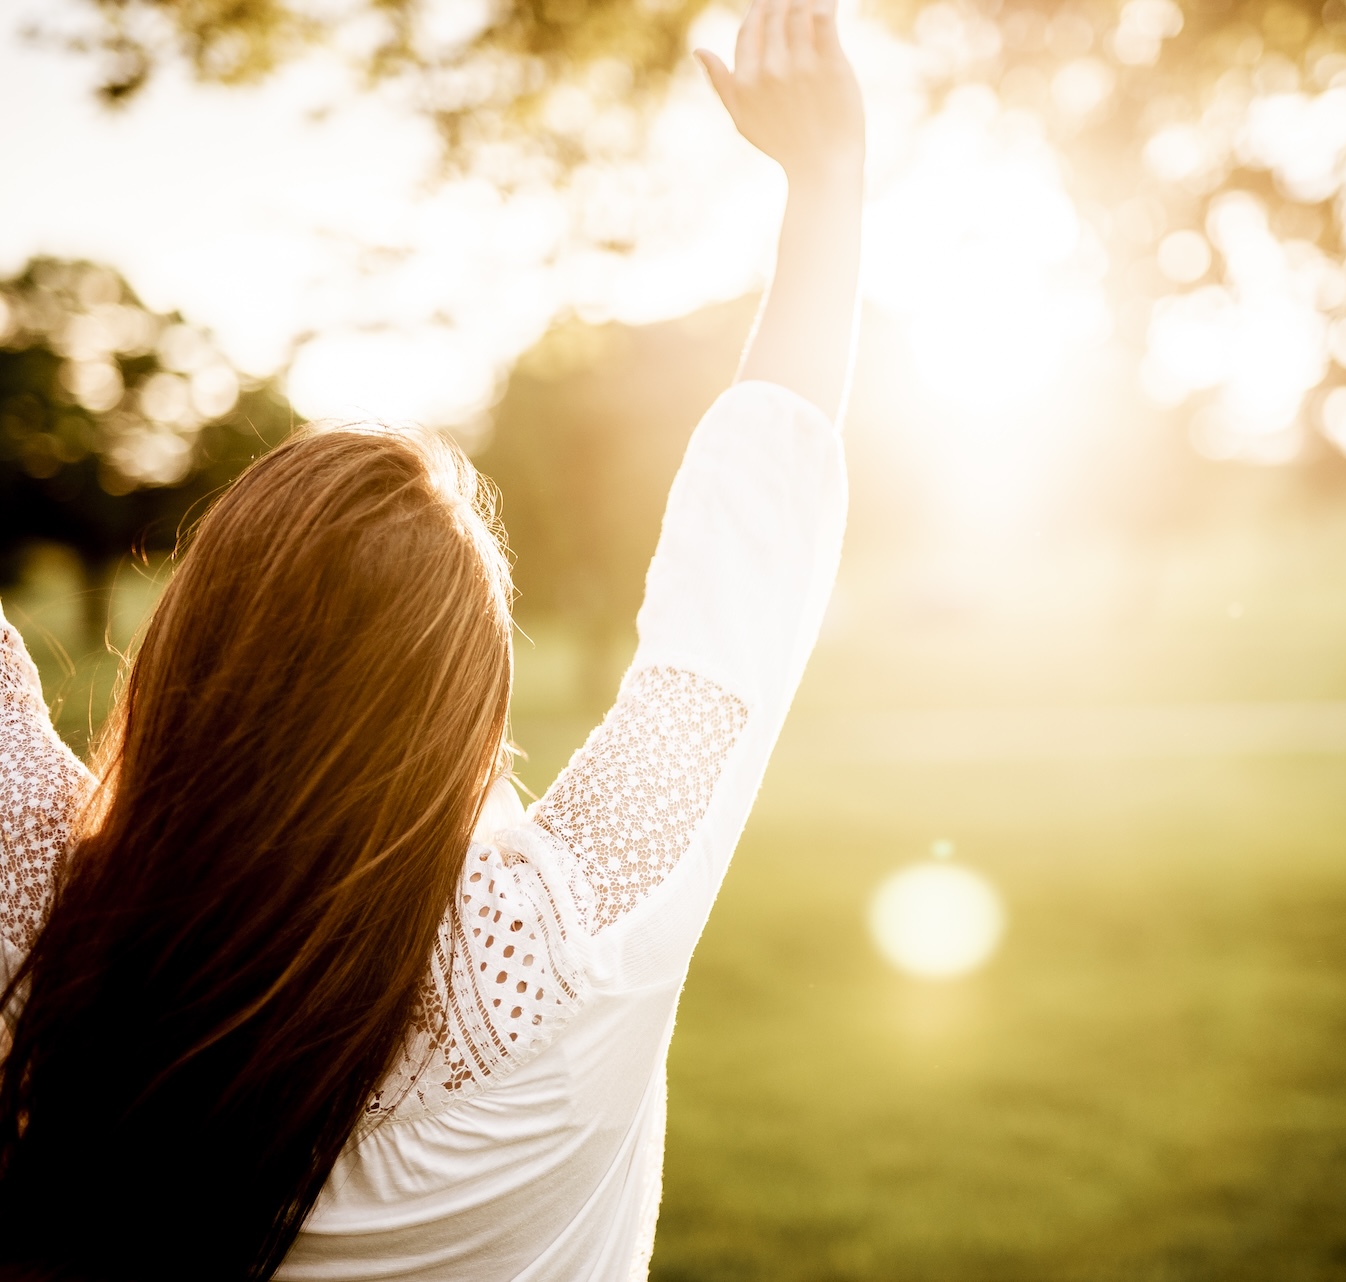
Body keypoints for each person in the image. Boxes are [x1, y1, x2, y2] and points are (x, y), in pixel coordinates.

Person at [0, 0, 864, 1275]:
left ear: (187, 655)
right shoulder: (567, 947)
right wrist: (831, 185)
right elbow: (748, 570)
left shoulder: (45, 919)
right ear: (465, 704)